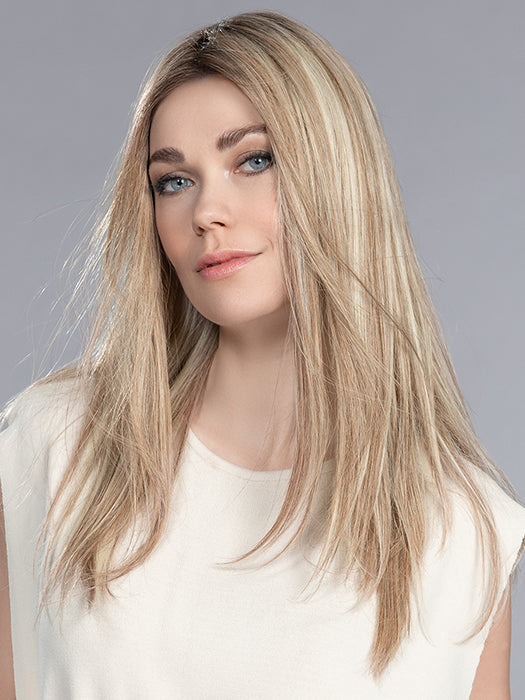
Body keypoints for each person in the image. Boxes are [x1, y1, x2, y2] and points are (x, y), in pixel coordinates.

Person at [1, 10, 524, 699]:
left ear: (339, 176)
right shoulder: (54, 448)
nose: (205, 212)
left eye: (253, 160)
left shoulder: (465, 529)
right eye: (173, 181)